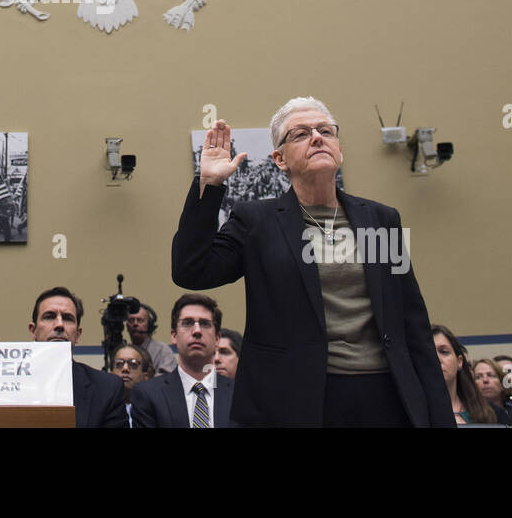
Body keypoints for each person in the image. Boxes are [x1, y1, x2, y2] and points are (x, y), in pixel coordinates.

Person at [172, 103, 452, 426]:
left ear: (339, 150)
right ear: (279, 159)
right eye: (301, 134)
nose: (317, 138)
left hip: (386, 394)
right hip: (297, 400)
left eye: (326, 131)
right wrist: (209, 185)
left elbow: (412, 324)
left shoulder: (380, 220)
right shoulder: (257, 222)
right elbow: (190, 270)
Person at [130, 293, 235, 428]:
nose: (197, 331)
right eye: (187, 323)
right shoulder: (148, 395)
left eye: (205, 324)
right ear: (174, 336)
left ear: (217, 338)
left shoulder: (239, 395)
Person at [28, 287, 125, 428]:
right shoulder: (8, 384)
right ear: (33, 330)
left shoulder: (107, 389)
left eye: (67, 318)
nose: (59, 325)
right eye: (49, 317)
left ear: (78, 334)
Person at [432, 326, 507, 425]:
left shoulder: (493, 414)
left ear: (459, 361)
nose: (437, 358)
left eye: (444, 352)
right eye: (430, 353)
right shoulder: (411, 414)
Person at [126, 304, 176, 376]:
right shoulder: (125, 351)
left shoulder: (162, 350)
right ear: (127, 326)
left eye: (140, 320)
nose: (135, 324)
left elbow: (168, 380)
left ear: (149, 325)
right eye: (131, 320)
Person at [110, 343, 150, 427]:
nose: (125, 369)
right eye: (119, 364)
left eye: (133, 364)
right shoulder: (100, 409)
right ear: (111, 373)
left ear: (145, 376)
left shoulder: (154, 410)